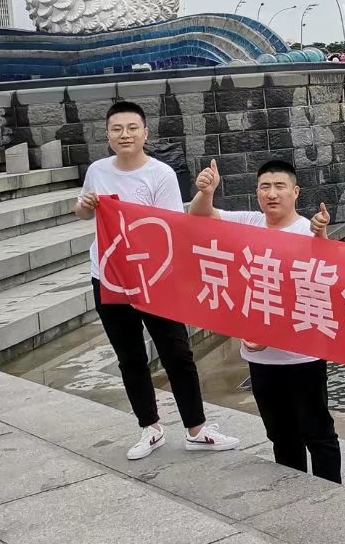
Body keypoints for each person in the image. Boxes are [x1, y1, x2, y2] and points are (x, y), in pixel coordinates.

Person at [76, 101, 239, 460]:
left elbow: (166, 228)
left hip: (153, 278)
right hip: (108, 275)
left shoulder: (160, 173)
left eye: (132, 128)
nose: (125, 135)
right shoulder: (98, 170)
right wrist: (86, 206)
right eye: (117, 129)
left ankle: (196, 428)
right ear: (107, 134)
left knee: (176, 352)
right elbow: (82, 211)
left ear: (145, 132)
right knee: (129, 355)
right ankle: (149, 427)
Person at [188, 157, 340, 482]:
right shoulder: (249, 222)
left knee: (318, 433)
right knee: (280, 433)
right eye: (265, 187)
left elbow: (322, 288)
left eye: (280, 187)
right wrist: (206, 191)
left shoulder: (307, 231)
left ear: (295, 191)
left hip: (302, 355)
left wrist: (323, 237)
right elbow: (200, 215)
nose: (272, 194)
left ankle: (331, 496)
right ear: (256, 192)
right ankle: (293, 488)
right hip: (260, 358)